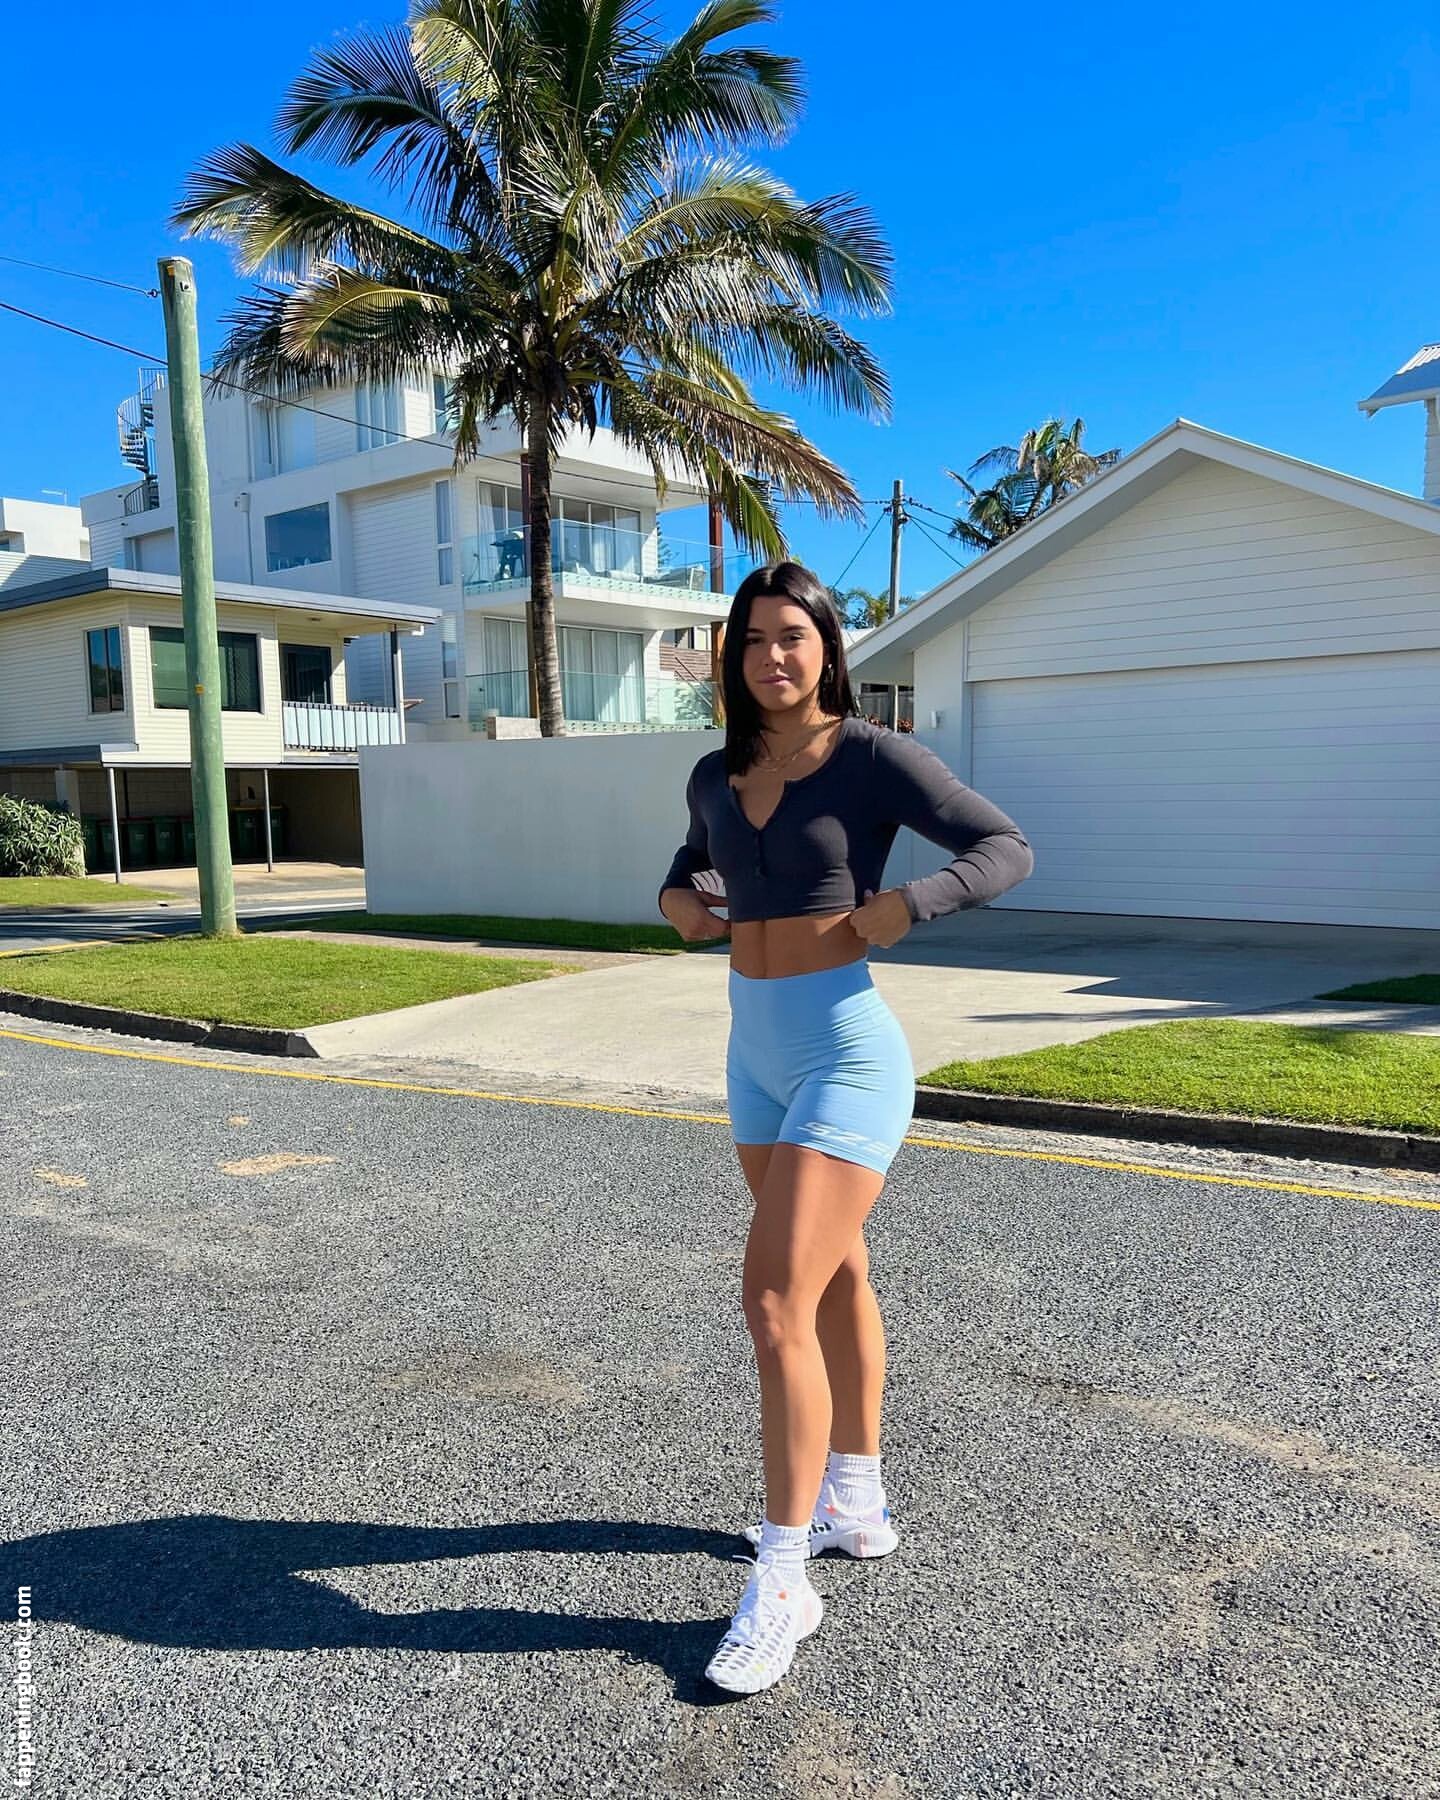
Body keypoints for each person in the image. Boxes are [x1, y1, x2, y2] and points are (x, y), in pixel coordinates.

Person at [657, 561, 1035, 1696]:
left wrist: (910, 903)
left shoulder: (871, 757)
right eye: (752, 640)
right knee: (832, 1277)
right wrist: (679, 905)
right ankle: (856, 1502)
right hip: (754, 1057)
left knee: (773, 1299)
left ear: (826, 645)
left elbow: (1003, 847)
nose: (772, 657)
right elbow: (687, 870)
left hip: (845, 1054)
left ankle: (783, 1579)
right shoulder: (717, 772)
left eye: (792, 636)